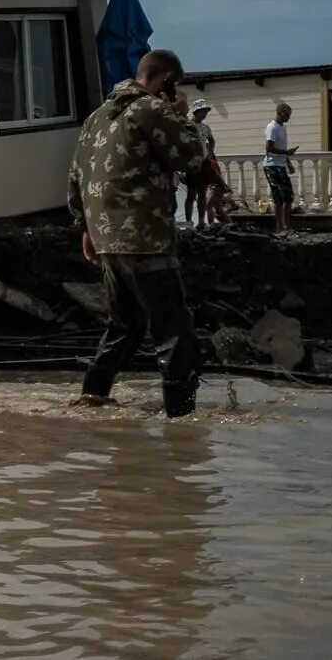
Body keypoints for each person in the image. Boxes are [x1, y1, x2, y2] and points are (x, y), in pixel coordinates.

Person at [68, 50, 209, 418]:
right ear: (165, 80)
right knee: (174, 332)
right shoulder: (152, 109)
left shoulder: (95, 118)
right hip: (144, 237)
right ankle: (183, 421)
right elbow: (192, 158)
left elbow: (75, 178)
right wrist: (182, 117)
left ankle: (93, 396)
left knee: (125, 327)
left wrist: (86, 228)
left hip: (105, 239)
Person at [183, 98, 220, 228]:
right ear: (196, 112)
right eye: (202, 111)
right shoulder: (188, 126)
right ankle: (188, 221)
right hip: (193, 162)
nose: (205, 114)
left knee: (202, 193)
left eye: (206, 111)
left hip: (204, 162)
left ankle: (201, 221)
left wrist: (209, 153)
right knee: (191, 194)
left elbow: (211, 140)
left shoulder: (205, 127)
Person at [264, 102, 299, 236]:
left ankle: (287, 226)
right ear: (281, 113)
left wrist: (288, 162)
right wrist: (286, 152)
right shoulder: (272, 128)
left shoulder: (282, 127)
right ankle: (279, 228)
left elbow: (283, 147)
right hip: (271, 166)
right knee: (279, 198)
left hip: (281, 165)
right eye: (288, 115)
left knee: (289, 196)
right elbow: (269, 148)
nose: (289, 118)